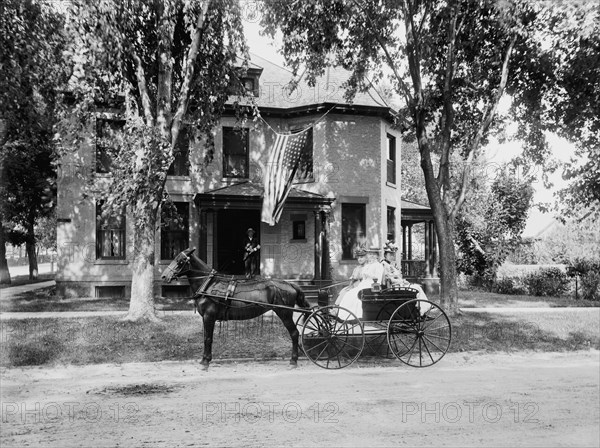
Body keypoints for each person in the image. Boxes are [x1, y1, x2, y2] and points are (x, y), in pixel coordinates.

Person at [380, 241, 431, 313]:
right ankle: (421, 310)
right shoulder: (384, 265)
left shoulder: (391, 265)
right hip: (393, 288)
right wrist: (402, 281)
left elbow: (396, 277)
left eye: (393, 255)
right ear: (385, 255)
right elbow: (389, 279)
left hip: (398, 285)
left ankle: (420, 309)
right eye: (390, 255)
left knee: (417, 287)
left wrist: (402, 281)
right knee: (416, 288)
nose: (392, 256)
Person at [335, 247, 385, 320]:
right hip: (364, 284)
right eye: (370, 254)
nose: (372, 256)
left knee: (355, 296)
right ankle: (344, 315)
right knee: (349, 294)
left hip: (372, 285)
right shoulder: (369, 265)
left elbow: (378, 279)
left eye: (374, 255)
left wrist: (368, 274)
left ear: (377, 256)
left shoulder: (379, 266)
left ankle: (356, 315)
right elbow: (363, 278)